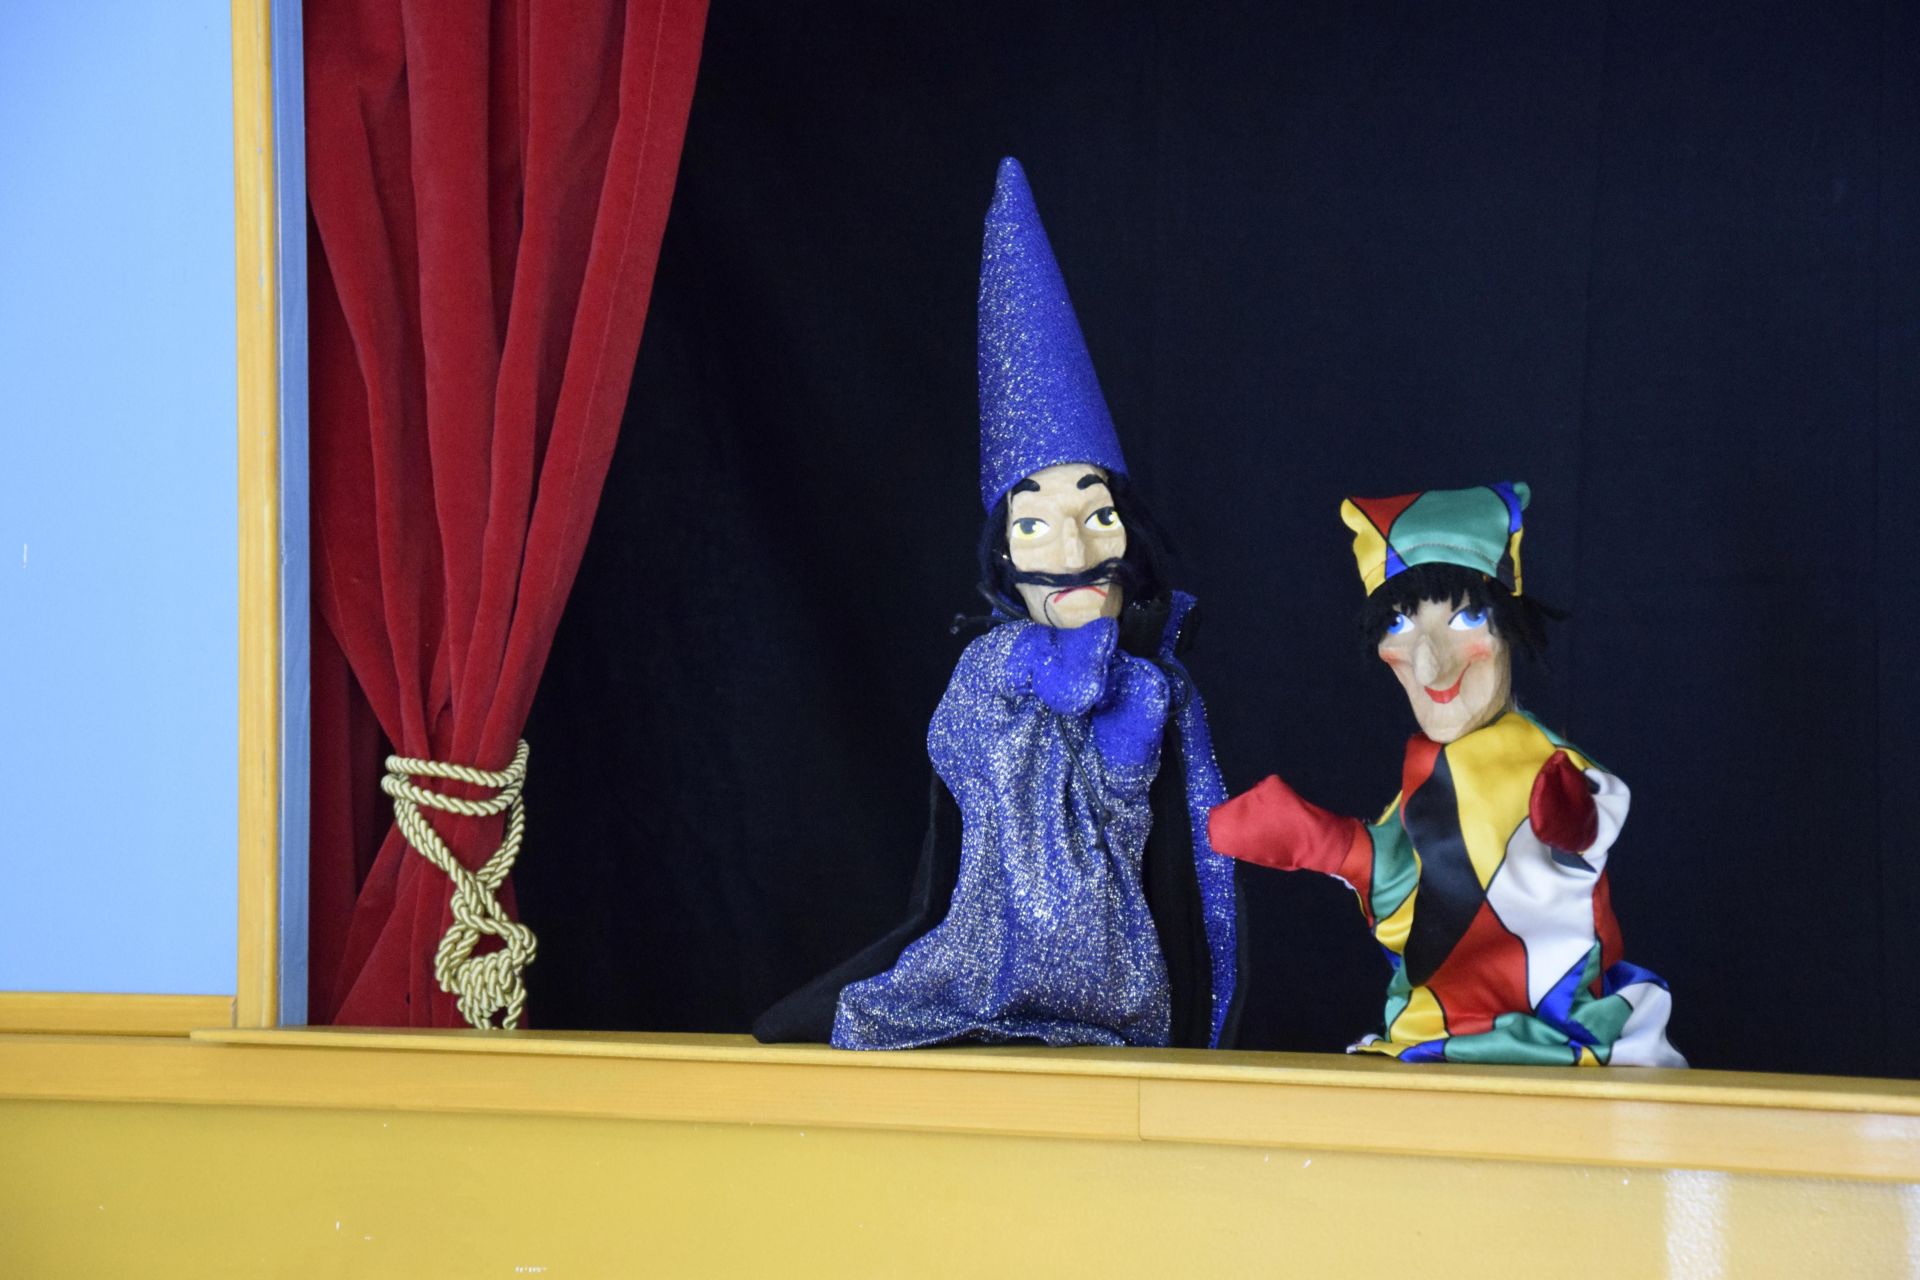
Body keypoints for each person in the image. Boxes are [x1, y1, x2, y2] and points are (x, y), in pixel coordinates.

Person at [753, 157, 1239, 1049]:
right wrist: (1061, 675)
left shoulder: (1156, 684)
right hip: (990, 953)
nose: (1076, 553)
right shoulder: (993, 665)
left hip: (1120, 972)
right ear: (1005, 553)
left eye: (1097, 516)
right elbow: (967, 752)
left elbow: (1160, 834)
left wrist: (1127, 740)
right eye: (1038, 526)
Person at [1208, 483, 1684, 1066]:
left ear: (1509, 626)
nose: (1432, 664)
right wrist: (1322, 841)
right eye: (1400, 624)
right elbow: (1406, 888)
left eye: (1467, 616)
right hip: (1433, 1035)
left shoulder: (1541, 758)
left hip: (1563, 1036)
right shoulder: (1424, 775)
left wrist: (1568, 819)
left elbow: (1586, 829)